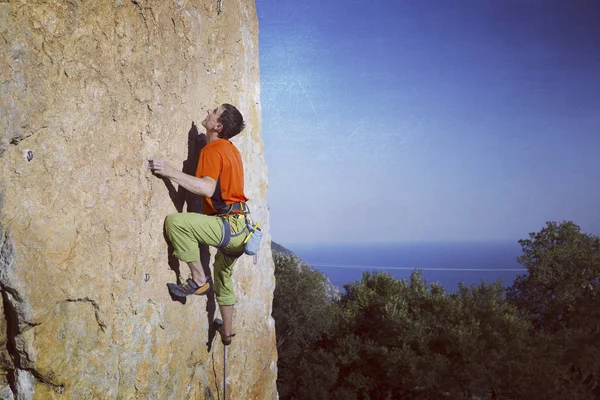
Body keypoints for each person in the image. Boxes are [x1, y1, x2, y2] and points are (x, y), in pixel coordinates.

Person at [148, 103, 248, 346]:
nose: (208, 111)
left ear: (218, 125)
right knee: (223, 276)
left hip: (227, 226)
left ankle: (198, 280)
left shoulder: (214, 150)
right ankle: (227, 333)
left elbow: (206, 187)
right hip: (241, 229)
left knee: (176, 223)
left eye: (214, 111)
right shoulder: (229, 149)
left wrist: (170, 171)